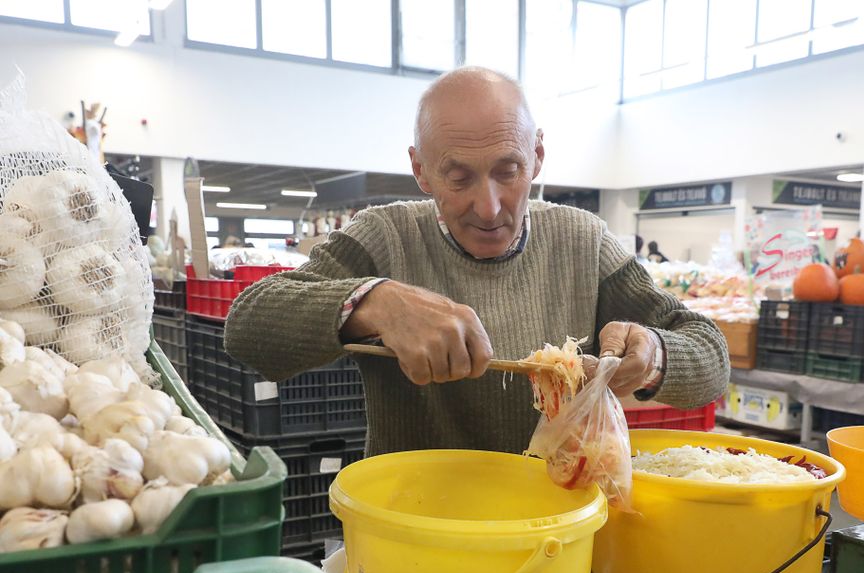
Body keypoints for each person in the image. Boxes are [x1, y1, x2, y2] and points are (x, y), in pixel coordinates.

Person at [224, 67, 729, 456]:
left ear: (537, 157)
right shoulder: (385, 238)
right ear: (420, 170)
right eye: (458, 177)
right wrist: (373, 303)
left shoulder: (583, 242)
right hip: (416, 523)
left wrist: (655, 354)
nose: (488, 207)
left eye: (508, 172)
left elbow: (710, 358)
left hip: (554, 527)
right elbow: (248, 328)